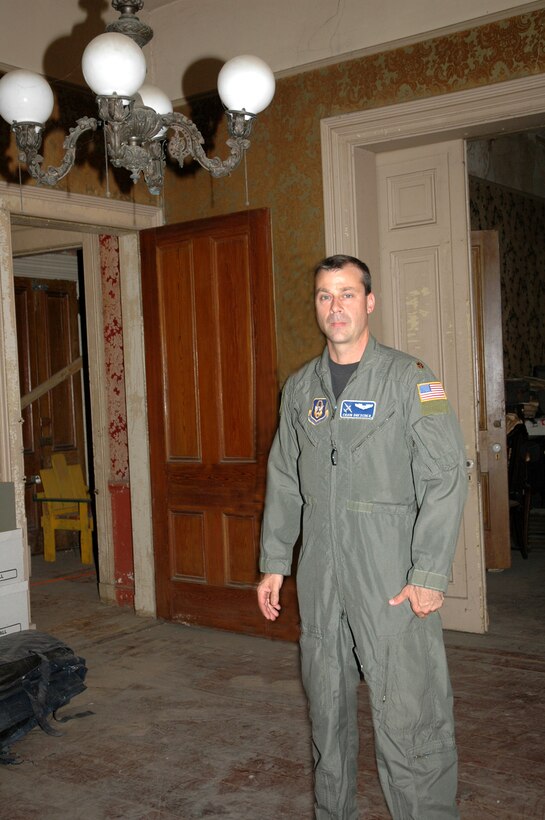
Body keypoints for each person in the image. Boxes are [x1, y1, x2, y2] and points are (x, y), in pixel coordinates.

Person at [257, 254, 467, 819]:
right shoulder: (301, 390)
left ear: (369, 302)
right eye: (326, 296)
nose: (337, 307)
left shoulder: (411, 379)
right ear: (317, 307)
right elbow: (284, 477)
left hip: (391, 580)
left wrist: (428, 574)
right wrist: (275, 561)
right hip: (324, 577)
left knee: (411, 716)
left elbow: (447, 476)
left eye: (347, 294)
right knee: (327, 716)